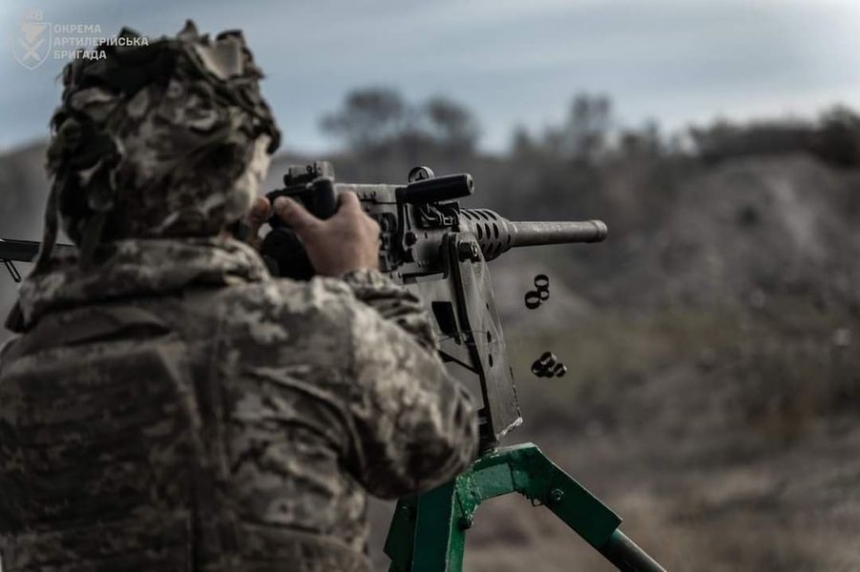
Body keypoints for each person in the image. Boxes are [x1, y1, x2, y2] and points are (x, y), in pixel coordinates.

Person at [0, 22, 478, 572]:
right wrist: (362, 283)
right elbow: (438, 443)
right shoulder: (308, 337)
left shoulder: (20, 377)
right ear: (229, 176)